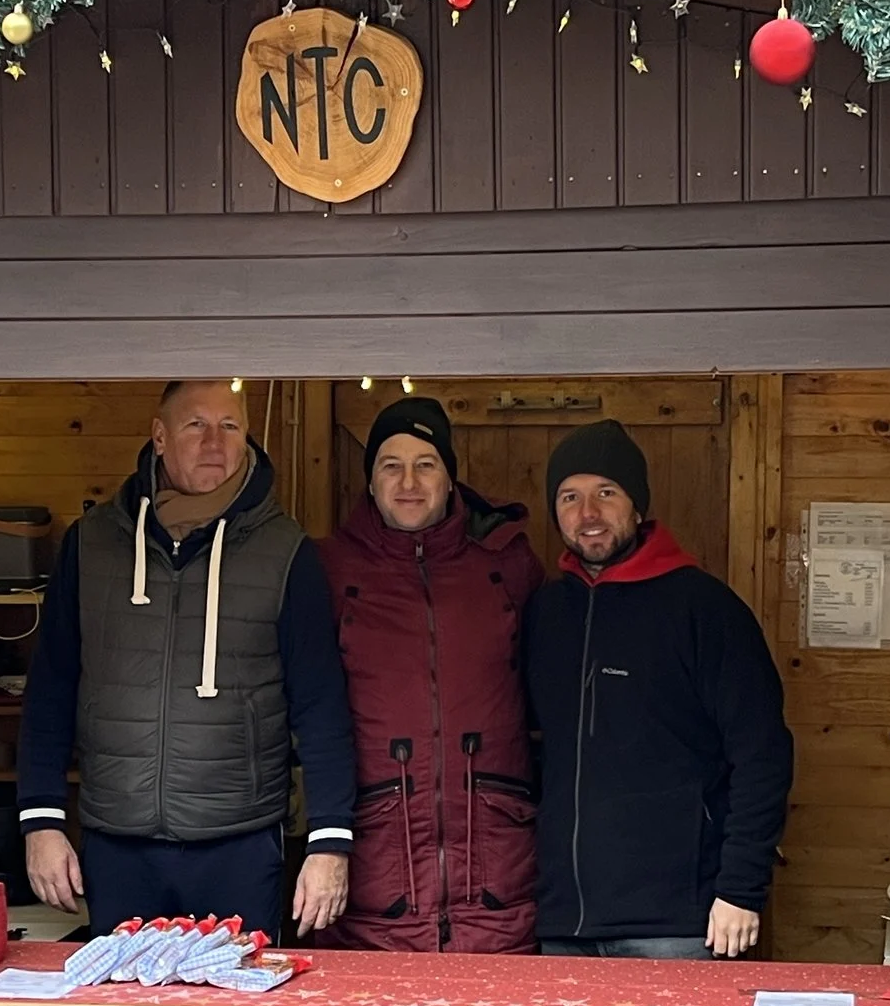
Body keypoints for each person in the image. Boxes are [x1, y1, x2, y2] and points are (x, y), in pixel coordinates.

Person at [20, 378, 355, 936]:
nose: (214, 443)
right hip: (118, 844)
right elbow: (51, 689)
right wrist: (41, 820)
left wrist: (329, 841)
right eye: (196, 425)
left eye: (230, 427)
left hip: (239, 845)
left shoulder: (285, 551)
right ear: (159, 436)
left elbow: (320, 705)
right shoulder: (93, 544)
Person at [521, 420, 794, 958]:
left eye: (606, 493)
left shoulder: (704, 610)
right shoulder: (546, 614)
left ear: (637, 505)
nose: (588, 513)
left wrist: (740, 886)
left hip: (678, 921)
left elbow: (763, 754)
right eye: (570, 497)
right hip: (564, 921)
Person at [320, 396, 546, 951]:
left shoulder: (507, 565)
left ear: (450, 480)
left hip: (497, 876)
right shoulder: (328, 567)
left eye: (426, 464)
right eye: (390, 465)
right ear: (370, 483)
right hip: (378, 880)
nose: (409, 481)